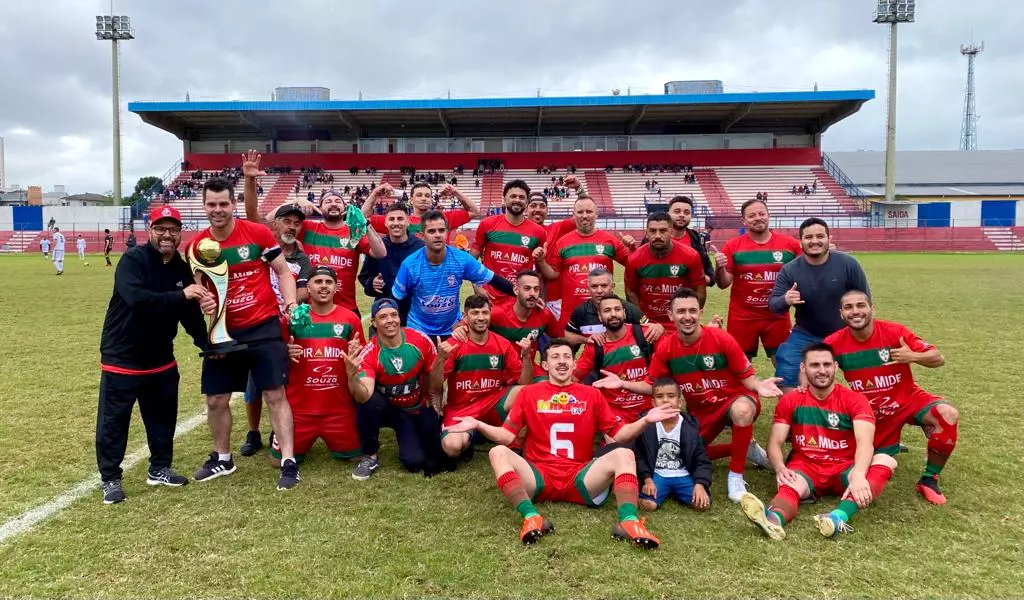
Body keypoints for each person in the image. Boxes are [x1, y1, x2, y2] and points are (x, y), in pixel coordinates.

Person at [445, 338, 678, 548]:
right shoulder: (529, 393)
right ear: (545, 365)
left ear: (574, 364)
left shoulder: (592, 394)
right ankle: (531, 517)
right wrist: (477, 424)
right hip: (539, 476)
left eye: (567, 356)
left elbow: (620, 435)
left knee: (624, 454)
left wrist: (646, 420)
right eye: (555, 357)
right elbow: (507, 437)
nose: (562, 361)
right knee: (498, 451)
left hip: (581, 477)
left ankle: (628, 522)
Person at [186, 177, 302, 491]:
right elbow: (198, 288)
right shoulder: (196, 245)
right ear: (204, 206)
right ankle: (223, 458)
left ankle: (289, 462)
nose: (218, 209)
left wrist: (290, 303)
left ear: (233, 205)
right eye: (212, 204)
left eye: (223, 204)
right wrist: (203, 300)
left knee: (275, 395)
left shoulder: (258, 234)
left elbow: (282, 271)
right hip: (222, 330)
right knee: (216, 399)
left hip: (262, 324)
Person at [96, 205, 216, 504]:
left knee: (163, 417)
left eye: (173, 230)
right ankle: (110, 478)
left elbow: (189, 312)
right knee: (114, 422)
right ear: (150, 230)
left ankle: (159, 468)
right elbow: (137, 299)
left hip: (161, 357)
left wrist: (207, 343)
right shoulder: (133, 260)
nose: (167, 235)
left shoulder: (179, 265)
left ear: (179, 233)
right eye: (161, 229)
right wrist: (182, 295)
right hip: (122, 356)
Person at [620, 288, 781, 502]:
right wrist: (622, 383)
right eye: (681, 311)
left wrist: (758, 386)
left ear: (701, 312)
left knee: (742, 411)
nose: (687, 317)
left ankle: (736, 476)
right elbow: (652, 385)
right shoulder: (667, 348)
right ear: (670, 315)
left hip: (733, 401)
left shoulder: (722, 339)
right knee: (682, 457)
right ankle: (741, 448)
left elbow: (747, 377)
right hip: (701, 411)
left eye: (693, 311)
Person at [739, 343, 897, 540]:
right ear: (803, 369)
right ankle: (773, 520)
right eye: (814, 365)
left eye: (827, 364)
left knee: (886, 460)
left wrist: (858, 474)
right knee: (790, 483)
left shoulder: (855, 400)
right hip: (806, 467)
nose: (822, 371)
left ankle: (838, 517)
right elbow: (775, 442)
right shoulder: (791, 400)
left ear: (835, 367)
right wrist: (780, 468)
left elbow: (865, 442)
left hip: (844, 468)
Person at [825, 290, 958, 504]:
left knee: (947, 414)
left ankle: (929, 479)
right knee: (869, 463)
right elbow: (816, 369)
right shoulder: (834, 343)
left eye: (861, 305)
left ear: (872, 309)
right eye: (848, 307)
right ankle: (888, 445)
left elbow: (938, 358)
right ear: (841, 314)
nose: (855, 311)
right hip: (871, 413)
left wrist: (913, 356)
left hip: (908, 399)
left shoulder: (895, 332)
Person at [241, 151, 386, 317]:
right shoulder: (306, 227)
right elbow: (266, 221)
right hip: (309, 309)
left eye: (338, 201)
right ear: (319, 207)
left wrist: (365, 224)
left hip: (346, 308)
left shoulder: (353, 233)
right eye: (328, 201)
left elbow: (380, 253)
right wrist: (294, 202)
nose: (333, 204)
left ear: (344, 208)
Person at [239, 203, 313, 457]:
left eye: (297, 223)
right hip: (257, 321)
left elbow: (304, 290)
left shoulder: (302, 258)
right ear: (275, 223)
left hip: (287, 324)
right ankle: (252, 432)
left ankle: (276, 430)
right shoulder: (261, 246)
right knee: (253, 384)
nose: (292, 226)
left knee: (281, 381)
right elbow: (251, 215)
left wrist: (287, 301)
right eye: (287, 221)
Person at [346, 298, 447, 479]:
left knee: (415, 462)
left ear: (400, 318)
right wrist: (352, 376)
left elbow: (435, 385)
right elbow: (363, 396)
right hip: (390, 410)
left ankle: (416, 433)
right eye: (383, 317)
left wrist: (440, 361)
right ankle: (370, 455)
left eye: (393, 315)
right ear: (374, 323)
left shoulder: (420, 340)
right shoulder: (370, 352)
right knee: (369, 403)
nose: (390, 320)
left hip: (417, 406)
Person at [275, 266, 365, 465]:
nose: (323, 286)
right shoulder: (294, 318)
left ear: (336, 288)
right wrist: (285, 352)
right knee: (277, 461)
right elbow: (274, 355)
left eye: (328, 282)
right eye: (318, 282)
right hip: (299, 409)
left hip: (339, 409)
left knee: (357, 457)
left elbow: (362, 357)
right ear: (308, 287)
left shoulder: (350, 318)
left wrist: (356, 353)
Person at [769, 218, 870, 392]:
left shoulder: (848, 264)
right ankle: (798, 411)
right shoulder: (790, 270)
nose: (814, 241)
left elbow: (865, 302)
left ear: (829, 239)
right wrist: (786, 299)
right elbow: (773, 304)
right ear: (800, 242)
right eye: (808, 237)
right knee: (786, 369)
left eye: (820, 236)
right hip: (807, 334)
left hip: (845, 333)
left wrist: (860, 333)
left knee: (870, 372)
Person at [429, 295, 534, 461]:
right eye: (475, 313)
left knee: (527, 393)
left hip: (492, 402)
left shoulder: (502, 344)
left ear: (490, 314)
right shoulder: (454, 344)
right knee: (452, 448)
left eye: (485, 312)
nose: (481, 317)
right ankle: (473, 435)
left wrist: (526, 357)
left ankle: (515, 446)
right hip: (462, 408)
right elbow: (435, 385)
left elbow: (524, 382)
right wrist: (440, 360)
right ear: (465, 316)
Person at [392, 211, 516, 340]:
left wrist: (519, 294)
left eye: (441, 230)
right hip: (418, 329)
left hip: (453, 329)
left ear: (446, 232)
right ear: (422, 236)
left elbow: (494, 279)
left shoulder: (461, 260)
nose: (437, 235)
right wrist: (401, 327)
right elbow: (397, 299)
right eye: (432, 231)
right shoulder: (410, 265)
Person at [715, 199, 802, 363]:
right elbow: (723, 284)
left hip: (777, 315)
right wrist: (720, 268)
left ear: (769, 215)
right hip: (742, 317)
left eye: (762, 213)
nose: (758, 218)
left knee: (786, 365)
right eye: (752, 215)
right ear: (744, 220)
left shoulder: (790, 245)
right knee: (739, 366)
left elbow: (807, 271)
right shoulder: (732, 246)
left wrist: (825, 253)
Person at [535, 196, 633, 329]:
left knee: (605, 347)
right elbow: (553, 274)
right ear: (573, 214)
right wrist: (541, 261)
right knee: (564, 348)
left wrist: (632, 250)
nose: (584, 216)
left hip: (603, 310)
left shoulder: (610, 241)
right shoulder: (562, 242)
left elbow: (633, 265)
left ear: (596, 214)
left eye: (589, 211)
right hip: (571, 311)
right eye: (580, 212)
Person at [634, 377, 713, 512]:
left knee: (702, 505)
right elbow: (639, 456)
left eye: (671, 396)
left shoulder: (690, 428)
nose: (665, 400)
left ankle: (677, 491)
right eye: (660, 396)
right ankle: (647, 494)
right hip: (657, 475)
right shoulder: (647, 425)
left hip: (683, 475)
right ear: (653, 403)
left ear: (680, 401)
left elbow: (702, 460)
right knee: (649, 505)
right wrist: (647, 480)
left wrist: (700, 485)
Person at [577, 295, 655, 423]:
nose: (613, 314)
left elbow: (672, 352)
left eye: (617, 309)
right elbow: (573, 377)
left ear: (624, 313)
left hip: (648, 409)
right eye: (607, 311)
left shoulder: (645, 333)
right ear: (600, 316)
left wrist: (660, 328)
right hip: (616, 414)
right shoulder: (595, 346)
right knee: (617, 442)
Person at [471, 179, 546, 303]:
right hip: (490, 298)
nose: (517, 200)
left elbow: (540, 272)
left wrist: (538, 295)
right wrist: (477, 286)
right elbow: (471, 261)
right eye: (513, 196)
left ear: (527, 202)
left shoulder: (539, 232)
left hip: (520, 300)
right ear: (504, 199)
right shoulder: (487, 224)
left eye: (522, 197)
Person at [624, 212, 705, 324]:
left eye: (663, 231)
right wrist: (644, 322)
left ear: (671, 232)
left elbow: (700, 291)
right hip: (649, 323)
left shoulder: (690, 256)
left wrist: (689, 318)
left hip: (680, 322)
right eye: (652, 231)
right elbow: (631, 292)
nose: (657, 235)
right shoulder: (634, 259)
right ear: (646, 233)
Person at [357, 202, 425, 326]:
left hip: (415, 314)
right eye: (391, 219)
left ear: (408, 221)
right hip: (385, 311)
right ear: (385, 222)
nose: (396, 223)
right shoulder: (378, 246)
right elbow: (364, 277)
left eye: (400, 219)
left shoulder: (421, 247)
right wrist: (372, 284)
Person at [564, 267, 657, 347]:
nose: (599, 291)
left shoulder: (628, 309)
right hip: (596, 363)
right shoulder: (580, 311)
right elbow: (567, 336)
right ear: (588, 289)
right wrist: (586, 339)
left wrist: (658, 327)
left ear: (612, 287)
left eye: (604, 286)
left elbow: (652, 330)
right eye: (594, 286)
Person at [363, 181, 480, 238]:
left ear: (431, 200)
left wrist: (455, 191)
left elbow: (475, 212)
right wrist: (375, 193)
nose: (424, 199)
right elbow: (363, 218)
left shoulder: (444, 218)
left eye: (427, 196)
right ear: (411, 200)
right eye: (419, 195)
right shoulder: (397, 221)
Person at [666, 196, 714, 285]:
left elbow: (710, 276)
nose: (682, 215)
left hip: (689, 296)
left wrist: (702, 278)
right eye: (677, 211)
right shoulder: (654, 237)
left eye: (687, 212)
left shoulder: (696, 239)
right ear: (668, 213)